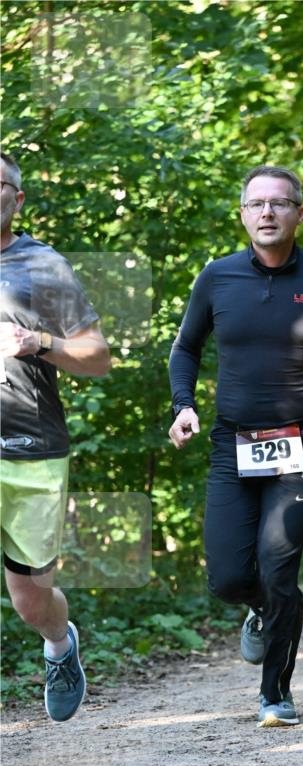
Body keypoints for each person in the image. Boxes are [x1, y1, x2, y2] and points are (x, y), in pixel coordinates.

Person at [168, 165, 303, 728]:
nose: (267, 213)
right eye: (256, 204)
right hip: (231, 446)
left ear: (298, 213)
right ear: (242, 214)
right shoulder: (217, 278)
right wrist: (182, 404)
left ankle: (275, 693)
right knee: (228, 579)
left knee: (278, 566)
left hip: (300, 446)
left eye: (279, 204)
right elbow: (184, 350)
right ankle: (262, 609)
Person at [0, 151, 111, 721]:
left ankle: (59, 643)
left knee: (30, 599)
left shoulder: (43, 266)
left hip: (30, 448)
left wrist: (40, 343)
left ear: (17, 199)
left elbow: (97, 357)